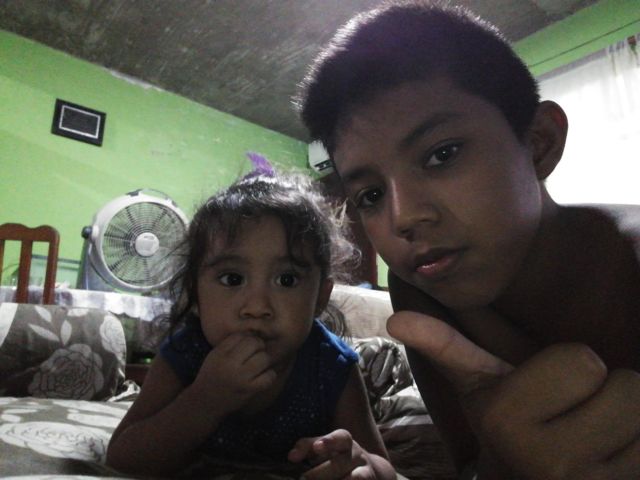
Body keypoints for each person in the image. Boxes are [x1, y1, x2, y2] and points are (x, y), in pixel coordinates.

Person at [298, 1, 640, 478]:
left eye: (442, 154)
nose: (403, 217)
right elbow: (470, 463)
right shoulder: (421, 290)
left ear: (539, 142)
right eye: (371, 195)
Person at [106, 166, 397, 480]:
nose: (257, 307)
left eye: (287, 280)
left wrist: (361, 464)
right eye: (232, 279)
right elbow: (122, 459)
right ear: (195, 292)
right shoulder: (186, 353)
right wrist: (205, 400)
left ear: (320, 298)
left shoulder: (331, 365)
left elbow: (384, 468)